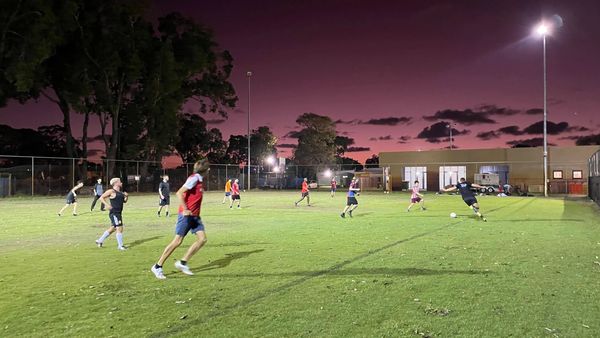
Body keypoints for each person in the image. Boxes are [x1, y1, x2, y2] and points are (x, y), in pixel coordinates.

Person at [151, 158, 210, 279]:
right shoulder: (194, 178)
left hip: (195, 217)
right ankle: (157, 266)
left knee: (202, 239)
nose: (209, 169)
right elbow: (179, 193)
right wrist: (185, 209)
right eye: (208, 167)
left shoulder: (199, 179)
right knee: (177, 241)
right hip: (186, 216)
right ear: (204, 169)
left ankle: (182, 263)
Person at [95, 178, 129, 250]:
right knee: (119, 228)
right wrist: (107, 205)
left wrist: (126, 196)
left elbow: (124, 202)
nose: (121, 183)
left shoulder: (120, 193)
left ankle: (100, 241)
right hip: (114, 213)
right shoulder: (111, 191)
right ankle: (120, 246)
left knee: (113, 228)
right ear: (116, 183)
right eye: (120, 182)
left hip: (119, 213)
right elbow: (101, 198)